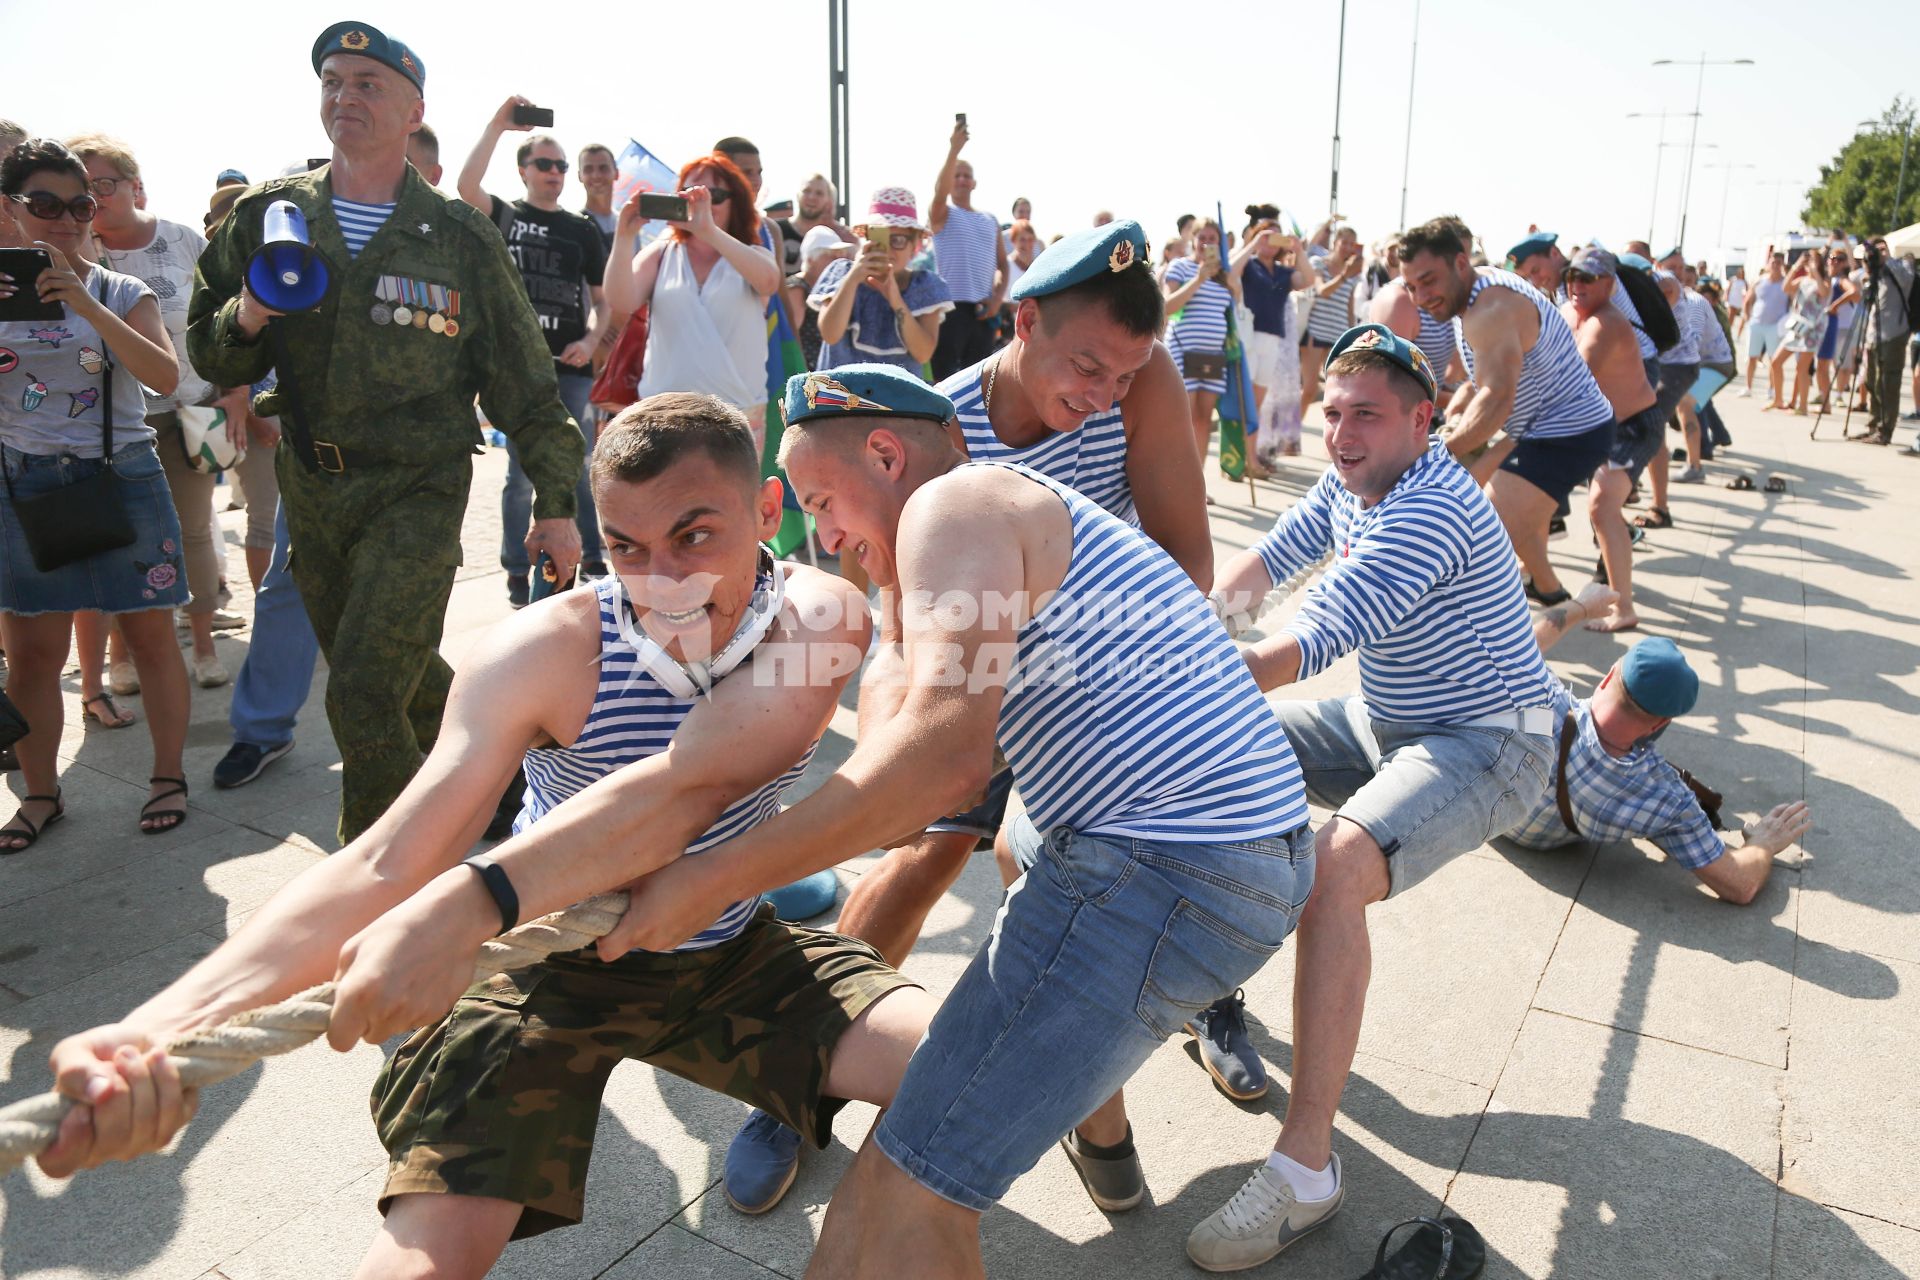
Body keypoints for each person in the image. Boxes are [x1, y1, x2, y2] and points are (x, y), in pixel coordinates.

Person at [30, 396, 945, 1280]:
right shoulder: (545, 652)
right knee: (426, 1260)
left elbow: (706, 777)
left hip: (728, 947)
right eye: (626, 547)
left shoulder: (819, 614)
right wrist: (154, 1031)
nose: (665, 583)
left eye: (696, 536)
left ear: (768, 510)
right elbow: (391, 859)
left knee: (964, 1078)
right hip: (543, 968)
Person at [679, 360, 1314, 1278]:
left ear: (888, 455)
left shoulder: (954, 508)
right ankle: (1101, 1133)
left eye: (821, 501)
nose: (821, 535)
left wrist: (711, 874)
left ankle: (1078, 1111)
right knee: (896, 1168)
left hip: (1165, 869)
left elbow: (939, 766)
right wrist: (876, 617)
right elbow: (897, 763)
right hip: (1226, 852)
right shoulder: (997, 518)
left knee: (901, 1195)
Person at [724, 224, 1221, 1215]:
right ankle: (798, 1072)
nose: (1102, 393)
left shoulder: (1143, 377)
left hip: (1086, 674)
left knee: (1068, 885)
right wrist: (901, 747)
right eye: (1086, 365)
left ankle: (1099, 1111)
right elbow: (894, 617)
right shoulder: (924, 430)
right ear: (1021, 320)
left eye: (1122, 375)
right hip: (966, 669)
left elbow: (1188, 563)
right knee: (920, 851)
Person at [1193, 324, 1555, 1270]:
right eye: (1333, 412)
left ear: (1424, 422)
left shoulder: (1429, 508)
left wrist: (1171, 669)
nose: (1342, 433)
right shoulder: (1350, 480)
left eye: (1368, 415)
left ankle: (1306, 1170)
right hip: (1387, 717)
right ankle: (1209, 986)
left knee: (1333, 872)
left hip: (1489, 743)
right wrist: (1199, 621)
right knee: (1205, 753)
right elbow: (1266, 567)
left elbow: (1316, 631)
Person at [188, 22, 585, 843]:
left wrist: (554, 500)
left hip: (418, 484)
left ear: (414, 110)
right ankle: (512, 779)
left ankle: (388, 892)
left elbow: (522, 379)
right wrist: (251, 314)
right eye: (333, 80)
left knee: (364, 685)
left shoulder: (460, 234)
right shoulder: (270, 214)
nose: (345, 96)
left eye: (368, 83)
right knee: (398, 675)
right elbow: (204, 341)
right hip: (314, 483)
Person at [210, 127, 447, 794]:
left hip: (414, 469)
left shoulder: (450, 248)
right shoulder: (301, 231)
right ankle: (261, 730)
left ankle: (428, 742)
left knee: (400, 603)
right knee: (288, 588)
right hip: (318, 464)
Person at [0, 139, 195, 847]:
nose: (66, 218)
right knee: (32, 657)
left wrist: (84, 297)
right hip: (24, 485)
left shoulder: (120, 290)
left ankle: (168, 776)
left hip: (122, 479)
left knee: (150, 638)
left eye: (80, 204)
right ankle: (40, 793)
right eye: (45, 204)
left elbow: (164, 379)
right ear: (10, 209)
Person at [68, 134, 250, 690]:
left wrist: (235, 390)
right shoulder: (75, 250)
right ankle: (121, 658)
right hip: (114, 423)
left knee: (195, 532)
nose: (96, 199)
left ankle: (202, 647)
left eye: (105, 184)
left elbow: (227, 314)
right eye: (84, 188)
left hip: (196, 410)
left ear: (135, 185)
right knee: (123, 540)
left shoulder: (182, 240)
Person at [1518, 598, 1814, 902]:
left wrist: (1581, 605)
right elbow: (1741, 884)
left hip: (1495, 817)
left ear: (1608, 677)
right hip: (1543, 841)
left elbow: (1524, 639)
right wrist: (1762, 843)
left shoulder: (1539, 699)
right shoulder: (1663, 798)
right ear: (1659, 725)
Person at [1399, 216, 1616, 606]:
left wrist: (1440, 451)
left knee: (1493, 516)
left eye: (1428, 281)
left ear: (1460, 264)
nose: (1419, 297)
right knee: (1480, 497)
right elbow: (1490, 375)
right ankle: (1546, 588)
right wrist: (1462, 404)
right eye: (1411, 286)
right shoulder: (1476, 292)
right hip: (1534, 425)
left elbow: (1497, 398)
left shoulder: (1492, 310)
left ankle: (1554, 600)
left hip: (1569, 428)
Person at [459, 101, 611, 603]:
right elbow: (465, 189)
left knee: (580, 464)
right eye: (544, 164)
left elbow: (601, 302)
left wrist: (590, 341)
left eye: (561, 166)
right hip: (518, 369)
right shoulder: (507, 215)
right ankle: (517, 572)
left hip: (572, 367)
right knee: (521, 475)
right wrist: (498, 127)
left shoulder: (582, 228)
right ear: (523, 171)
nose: (555, 173)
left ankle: (589, 560)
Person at [603, 152, 781, 452]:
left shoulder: (750, 254)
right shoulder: (661, 252)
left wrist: (708, 231)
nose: (702, 204)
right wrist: (624, 236)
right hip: (664, 416)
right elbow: (621, 299)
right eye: (690, 194)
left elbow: (769, 282)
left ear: (735, 202)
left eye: (715, 195)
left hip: (736, 417)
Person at [1560, 248, 1658, 633]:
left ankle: (1624, 607)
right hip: (1601, 427)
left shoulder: (1606, 323)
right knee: (1596, 510)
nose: (1577, 285)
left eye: (1587, 278)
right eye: (1572, 276)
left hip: (1633, 427)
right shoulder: (1571, 313)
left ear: (1609, 284)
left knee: (1602, 508)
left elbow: (1571, 378)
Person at [810, 187, 952, 373]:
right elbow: (830, 334)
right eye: (881, 238)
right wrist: (852, 279)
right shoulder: (841, 274)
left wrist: (894, 297)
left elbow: (923, 353)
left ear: (914, 246)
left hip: (897, 399)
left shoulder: (924, 286)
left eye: (898, 240)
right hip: (840, 396)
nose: (889, 249)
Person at [1162, 216, 1258, 469]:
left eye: (1212, 239)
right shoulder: (1180, 267)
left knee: (1204, 420)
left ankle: (1197, 483)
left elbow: (1234, 311)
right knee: (1182, 420)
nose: (1206, 243)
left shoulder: (1223, 276)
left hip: (1215, 357)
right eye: (1201, 238)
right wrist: (1198, 279)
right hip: (1182, 351)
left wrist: (1232, 287)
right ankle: (1176, 479)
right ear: (1192, 240)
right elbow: (1166, 307)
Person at [927, 120, 1008, 379]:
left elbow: (1003, 266)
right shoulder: (943, 214)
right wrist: (954, 150)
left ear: (974, 183)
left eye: (966, 175)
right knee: (945, 379)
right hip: (950, 308)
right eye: (956, 175)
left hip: (982, 311)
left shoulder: (990, 219)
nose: (961, 180)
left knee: (981, 380)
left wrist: (996, 300)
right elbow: (939, 195)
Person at [1245, 216, 1318, 462]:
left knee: (1257, 403)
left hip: (1273, 339)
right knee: (1245, 403)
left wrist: (1298, 250)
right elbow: (1229, 271)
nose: (1270, 241)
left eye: (1276, 236)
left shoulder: (1282, 272)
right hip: (1249, 338)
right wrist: (1252, 244)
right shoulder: (1248, 264)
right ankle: (1242, 456)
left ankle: (1253, 456)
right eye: (1267, 235)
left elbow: (1307, 279)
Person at [1854, 237, 1915, 446]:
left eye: (1882, 249)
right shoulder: (1875, 272)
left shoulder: (1901, 265)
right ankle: (1873, 424)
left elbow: (1908, 279)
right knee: (1871, 382)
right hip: (1874, 335)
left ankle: (1885, 430)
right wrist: (1869, 264)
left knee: (1888, 383)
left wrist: (1887, 259)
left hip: (1894, 334)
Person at [1300, 222, 1363, 405]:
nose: (1348, 247)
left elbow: (1349, 308)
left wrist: (1353, 337)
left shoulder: (1354, 275)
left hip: (1338, 335)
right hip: (1316, 332)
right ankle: (1290, 429)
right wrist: (1344, 275)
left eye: (1352, 244)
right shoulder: (1319, 262)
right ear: (1335, 242)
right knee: (1310, 389)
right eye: (1344, 242)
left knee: (1334, 392)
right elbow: (1322, 291)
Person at [1766, 250, 1829, 417]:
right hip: (1797, 327)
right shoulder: (1802, 280)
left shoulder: (1823, 281)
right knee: (1776, 361)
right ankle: (1778, 399)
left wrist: (1815, 271)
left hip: (1813, 329)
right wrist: (1796, 266)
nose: (1809, 263)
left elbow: (1824, 293)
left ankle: (1802, 407)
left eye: (1812, 260)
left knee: (1802, 367)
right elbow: (1785, 287)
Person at [1814, 246, 1861, 412]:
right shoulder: (1828, 278)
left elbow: (1855, 293)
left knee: (1838, 365)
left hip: (1840, 326)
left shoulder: (1842, 279)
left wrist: (1834, 305)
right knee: (1825, 366)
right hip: (1827, 326)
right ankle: (1825, 398)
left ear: (1844, 263)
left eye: (1839, 259)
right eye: (1832, 258)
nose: (1834, 261)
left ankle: (1836, 397)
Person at [1740, 250, 1788, 398]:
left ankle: (1772, 389)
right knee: (1752, 357)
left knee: (1773, 359)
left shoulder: (1786, 282)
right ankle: (1748, 387)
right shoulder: (1760, 280)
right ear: (1769, 263)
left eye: (1778, 263)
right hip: (1757, 323)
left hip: (1775, 326)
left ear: (1782, 265)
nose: (1775, 265)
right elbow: (1748, 299)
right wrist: (1747, 316)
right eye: (1773, 262)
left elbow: (1792, 303)